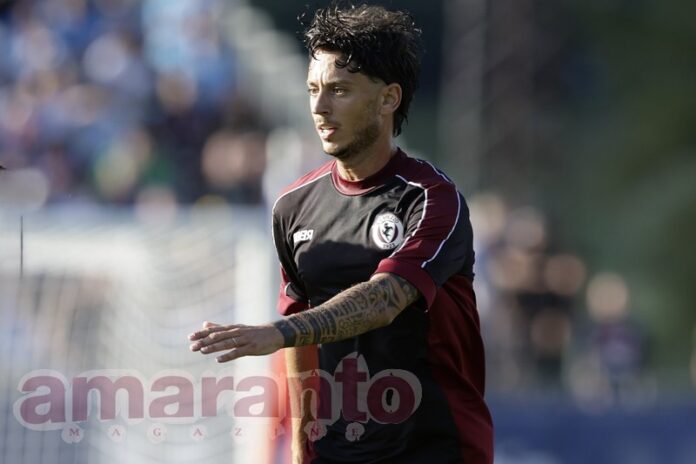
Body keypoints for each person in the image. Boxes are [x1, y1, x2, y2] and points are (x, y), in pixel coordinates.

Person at [189, 4, 493, 463]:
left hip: (434, 448)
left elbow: (384, 300)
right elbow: (302, 344)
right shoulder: (293, 207)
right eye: (313, 89)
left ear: (388, 98)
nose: (319, 107)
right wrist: (301, 448)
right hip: (338, 452)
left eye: (339, 90)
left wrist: (279, 333)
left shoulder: (431, 198)